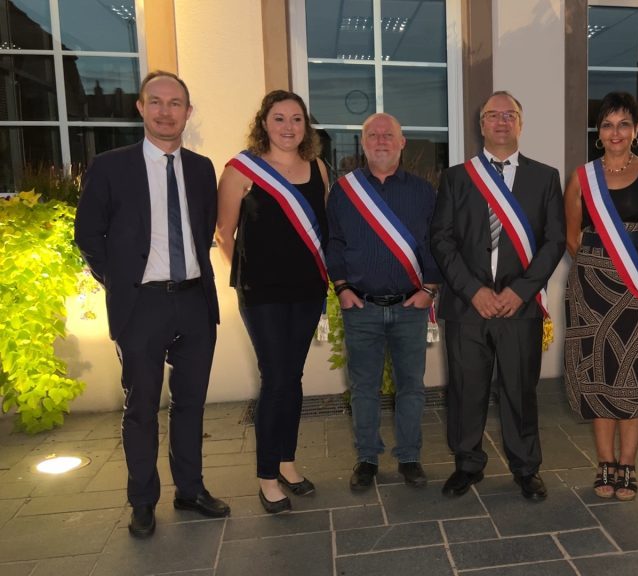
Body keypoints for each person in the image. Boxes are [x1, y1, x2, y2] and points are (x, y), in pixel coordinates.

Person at [74, 71, 229, 537]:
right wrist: (122, 284)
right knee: (141, 407)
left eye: (176, 103)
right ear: (141, 108)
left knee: (191, 404)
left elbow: (202, 231)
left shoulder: (202, 168)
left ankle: (191, 490)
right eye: (156, 102)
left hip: (194, 301)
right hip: (140, 306)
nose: (166, 111)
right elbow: (88, 235)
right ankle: (142, 501)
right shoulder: (109, 166)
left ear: (188, 111)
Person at [430, 91, 565, 500]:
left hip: (518, 308)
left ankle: (526, 467)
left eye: (510, 114)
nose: (502, 121)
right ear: (481, 124)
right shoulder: (456, 177)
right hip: (467, 307)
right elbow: (442, 239)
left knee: (519, 390)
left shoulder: (545, 177)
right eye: (493, 115)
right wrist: (473, 292)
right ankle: (467, 464)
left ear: (521, 124)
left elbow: (555, 241)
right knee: (465, 390)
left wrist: (519, 292)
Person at [215, 90, 329, 514]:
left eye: (296, 119)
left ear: (306, 126)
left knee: (292, 378)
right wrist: (248, 276)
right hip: (261, 295)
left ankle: (286, 461)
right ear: (264, 123)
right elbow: (224, 233)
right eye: (278, 119)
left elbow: (323, 227)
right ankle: (266, 476)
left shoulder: (317, 167)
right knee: (276, 378)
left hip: (306, 291)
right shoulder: (240, 169)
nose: (288, 127)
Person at [563, 92, 638, 501]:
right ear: (599, 132)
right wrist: (603, 269)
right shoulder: (582, 177)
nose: (616, 132)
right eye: (609, 124)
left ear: (637, 130)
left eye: (624, 124)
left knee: (634, 371)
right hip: (593, 291)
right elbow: (572, 235)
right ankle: (605, 463)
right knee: (599, 372)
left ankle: (628, 465)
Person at [325, 113, 440, 491]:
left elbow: (434, 246)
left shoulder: (424, 193)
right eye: (372, 135)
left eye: (388, 135)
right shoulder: (344, 191)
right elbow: (335, 244)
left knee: (412, 386)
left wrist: (430, 289)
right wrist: (342, 288)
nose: (380, 141)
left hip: (411, 307)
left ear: (402, 142)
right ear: (363, 143)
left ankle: (409, 457)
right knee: (363, 388)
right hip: (363, 307)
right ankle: (367, 459)